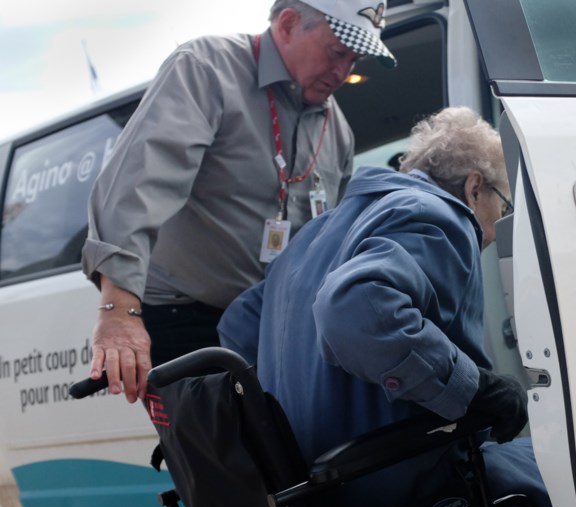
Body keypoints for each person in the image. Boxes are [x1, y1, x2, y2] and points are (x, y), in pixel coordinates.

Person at [218, 106, 558, 507]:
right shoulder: (440, 216)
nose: (492, 233)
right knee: (566, 474)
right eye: (502, 209)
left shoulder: (314, 234)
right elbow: (353, 308)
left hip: (315, 496)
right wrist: (474, 389)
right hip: (398, 487)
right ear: (475, 188)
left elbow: (238, 325)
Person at [82, 0, 395, 404]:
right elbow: (138, 183)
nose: (344, 72)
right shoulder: (206, 68)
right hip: (187, 318)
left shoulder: (337, 130)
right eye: (337, 52)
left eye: (355, 58)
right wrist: (118, 307)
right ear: (287, 23)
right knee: (226, 459)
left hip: (271, 327)